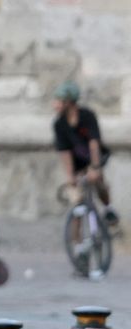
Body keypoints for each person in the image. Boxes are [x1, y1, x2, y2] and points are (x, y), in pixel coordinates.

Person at [52, 80, 118, 225]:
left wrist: (95, 167)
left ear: (68, 102)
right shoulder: (59, 124)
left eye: (57, 100)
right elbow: (65, 152)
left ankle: (108, 208)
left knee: (97, 180)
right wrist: (70, 177)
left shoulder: (87, 116)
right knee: (77, 202)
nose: (54, 104)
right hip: (77, 162)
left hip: (95, 157)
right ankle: (77, 244)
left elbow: (94, 142)